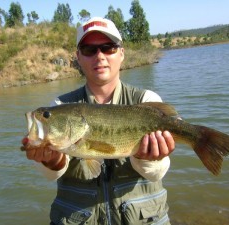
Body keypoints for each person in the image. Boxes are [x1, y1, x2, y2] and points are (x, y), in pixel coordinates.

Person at [25, 17, 175, 225]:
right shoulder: (60, 106)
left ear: (121, 53)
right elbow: (51, 174)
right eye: (89, 50)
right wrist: (51, 161)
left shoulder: (147, 100)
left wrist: (148, 158)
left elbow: (158, 173)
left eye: (108, 48)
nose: (100, 56)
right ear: (78, 56)